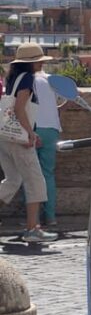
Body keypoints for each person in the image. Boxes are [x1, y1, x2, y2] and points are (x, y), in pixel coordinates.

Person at [0, 43, 57, 243]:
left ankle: (33, 228)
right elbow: (19, 109)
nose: (41, 63)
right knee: (35, 181)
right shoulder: (27, 79)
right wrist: (30, 134)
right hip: (19, 138)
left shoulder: (13, 78)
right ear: (30, 63)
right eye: (38, 60)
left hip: (5, 136)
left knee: (13, 180)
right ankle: (33, 229)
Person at [33, 67, 63, 227]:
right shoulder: (52, 79)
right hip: (51, 129)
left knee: (30, 175)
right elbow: (75, 95)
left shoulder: (25, 79)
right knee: (48, 174)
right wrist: (57, 110)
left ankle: (33, 218)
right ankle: (50, 217)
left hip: (32, 129)